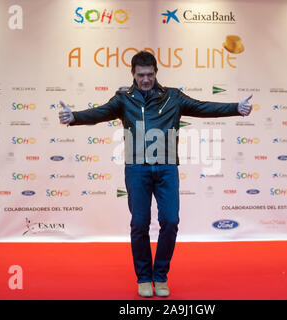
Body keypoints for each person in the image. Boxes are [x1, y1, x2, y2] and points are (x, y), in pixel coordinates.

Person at [59, 51, 252, 297]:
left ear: (156, 73)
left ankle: (160, 276)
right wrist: (73, 117)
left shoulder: (173, 97)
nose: (146, 79)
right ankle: (143, 277)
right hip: (136, 168)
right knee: (139, 224)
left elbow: (204, 107)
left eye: (150, 74)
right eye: (141, 75)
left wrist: (237, 107)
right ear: (133, 74)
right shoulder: (123, 99)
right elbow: (100, 113)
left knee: (170, 221)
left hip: (167, 168)